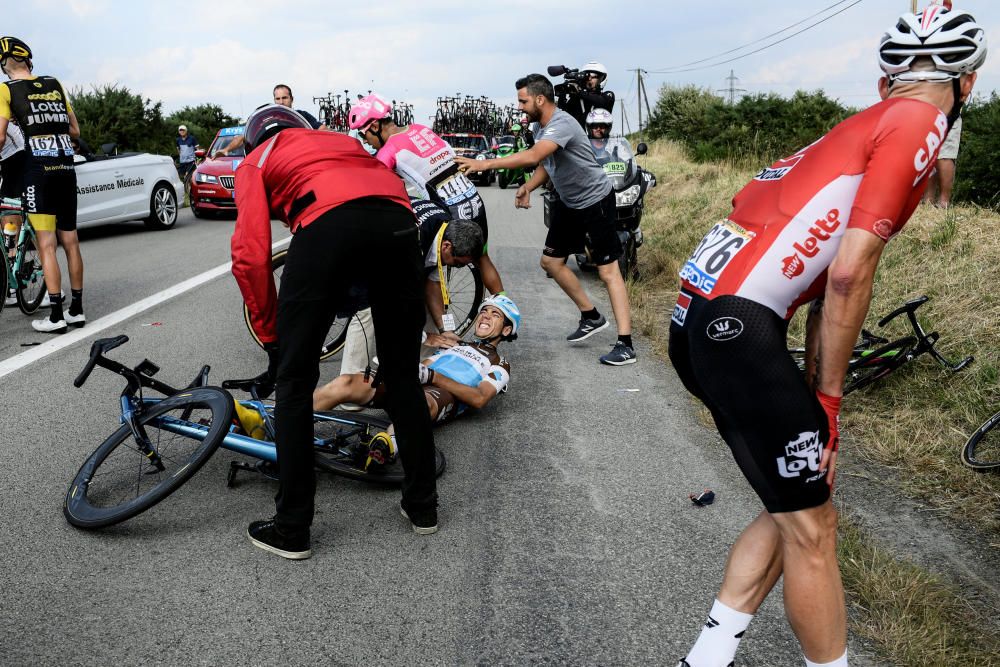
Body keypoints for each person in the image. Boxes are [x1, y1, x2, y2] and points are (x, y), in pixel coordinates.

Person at [667, 6, 985, 667]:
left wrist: (814, 394)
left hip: (702, 318)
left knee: (797, 506)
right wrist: (831, 405)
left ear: (882, 80)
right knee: (815, 528)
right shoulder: (923, 122)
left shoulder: (859, 125)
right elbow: (847, 275)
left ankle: (707, 656)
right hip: (740, 328)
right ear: (970, 83)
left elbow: (817, 290)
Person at [231, 104, 439, 560]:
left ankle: (291, 529)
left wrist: (273, 341)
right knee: (402, 375)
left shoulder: (256, 159)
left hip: (327, 222)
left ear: (253, 138)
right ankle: (423, 507)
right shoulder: (342, 141)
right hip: (398, 218)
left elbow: (249, 256)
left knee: (294, 382)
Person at [456, 73, 636, 366]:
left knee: (608, 272)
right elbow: (547, 164)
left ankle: (625, 343)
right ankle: (591, 316)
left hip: (595, 201)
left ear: (540, 99)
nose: (520, 106)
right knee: (551, 263)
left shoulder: (561, 124)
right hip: (570, 202)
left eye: (523, 101)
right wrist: (528, 186)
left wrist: (484, 162)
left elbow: (533, 156)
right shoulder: (541, 126)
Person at [313, 297, 519, 467]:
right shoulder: (452, 344)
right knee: (348, 382)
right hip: (413, 382)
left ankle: (387, 446)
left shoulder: (500, 363)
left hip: (438, 397)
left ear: (507, 330)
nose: (485, 316)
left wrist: (433, 377)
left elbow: (480, 398)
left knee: (419, 402)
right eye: (484, 311)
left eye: (495, 314)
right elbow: (422, 366)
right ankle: (289, 417)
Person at [348, 93, 505, 304]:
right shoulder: (420, 129)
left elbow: (370, 185)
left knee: (427, 273)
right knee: (482, 258)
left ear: (375, 125)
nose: (365, 141)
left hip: (450, 208)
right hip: (472, 199)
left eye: (363, 134)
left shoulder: (389, 151)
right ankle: (504, 310)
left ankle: (432, 330)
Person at [0, 36, 85, 333]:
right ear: (28, 60)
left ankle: (56, 316)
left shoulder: (6, 89)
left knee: (47, 245)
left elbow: (0, 137)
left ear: (4, 65)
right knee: (70, 242)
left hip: (38, 171)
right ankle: (77, 310)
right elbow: (75, 130)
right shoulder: (54, 83)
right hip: (65, 167)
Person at [215, 84, 325, 157]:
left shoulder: (301, 116)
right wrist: (226, 150)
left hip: (298, 156)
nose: (281, 102)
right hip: (275, 159)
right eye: (278, 99)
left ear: (292, 99)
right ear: (274, 100)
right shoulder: (266, 120)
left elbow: (322, 129)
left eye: (285, 98)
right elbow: (243, 137)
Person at [555, 61, 615, 129]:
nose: (589, 79)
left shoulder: (608, 95)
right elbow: (562, 115)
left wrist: (579, 91)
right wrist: (563, 94)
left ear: (602, 78)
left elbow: (601, 102)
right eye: (586, 75)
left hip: (598, 138)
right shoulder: (577, 98)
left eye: (593, 76)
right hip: (578, 138)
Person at [923, 114, 961, 208]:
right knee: (946, 154)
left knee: (929, 152)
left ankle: (928, 200)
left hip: (926, 110)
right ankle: (944, 202)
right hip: (950, 112)